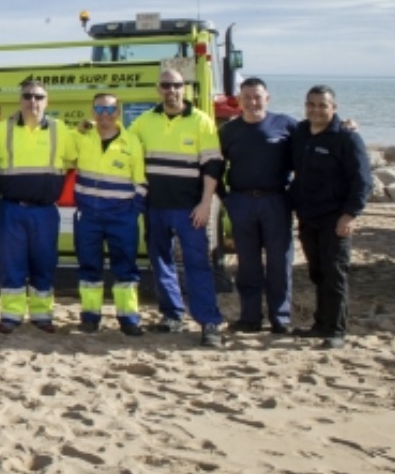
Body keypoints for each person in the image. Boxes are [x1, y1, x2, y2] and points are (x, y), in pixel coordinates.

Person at [128, 69, 226, 347]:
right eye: (166, 86)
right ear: (158, 89)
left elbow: (212, 165)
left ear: (186, 88)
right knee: (161, 263)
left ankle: (209, 323)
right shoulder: (144, 121)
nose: (171, 90)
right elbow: (125, 146)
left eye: (177, 85)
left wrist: (206, 203)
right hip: (155, 207)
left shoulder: (201, 121)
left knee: (198, 265)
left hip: (190, 209)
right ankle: (172, 316)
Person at [0, 79, 76, 334]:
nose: (32, 102)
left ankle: (42, 315)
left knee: (44, 263)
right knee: (11, 263)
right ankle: (11, 316)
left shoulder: (61, 130)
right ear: (20, 100)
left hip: (45, 211)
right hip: (11, 209)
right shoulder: (1, 130)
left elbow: (72, 161)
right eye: (27, 96)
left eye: (38, 97)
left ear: (47, 102)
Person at [288, 86, 372, 349]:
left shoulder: (346, 138)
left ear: (333, 108)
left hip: (335, 218)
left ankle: (336, 330)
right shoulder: (300, 133)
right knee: (318, 272)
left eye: (322, 105)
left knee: (335, 274)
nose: (316, 110)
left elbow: (363, 181)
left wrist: (349, 215)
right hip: (308, 215)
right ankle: (320, 325)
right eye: (311, 104)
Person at [218, 78, 297, 334]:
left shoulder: (285, 124)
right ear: (239, 101)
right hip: (241, 202)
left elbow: (314, 141)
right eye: (247, 97)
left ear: (267, 98)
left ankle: (280, 318)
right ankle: (250, 317)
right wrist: (225, 197)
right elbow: (213, 166)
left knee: (279, 262)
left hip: (275, 200)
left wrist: (345, 127)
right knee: (248, 264)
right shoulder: (229, 131)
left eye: (257, 96)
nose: (253, 102)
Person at [72, 92, 146, 335]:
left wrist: (132, 212)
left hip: (121, 218)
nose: (105, 115)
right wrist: (78, 128)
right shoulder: (81, 139)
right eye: (100, 110)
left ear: (118, 113)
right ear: (93, 112)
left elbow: (142, 183)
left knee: (125, 268)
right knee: (89, 267)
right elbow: (62, 152)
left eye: (110, 110)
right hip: (89, 217)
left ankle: (128, 319)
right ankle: (90, 317)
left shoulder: (132, 143)